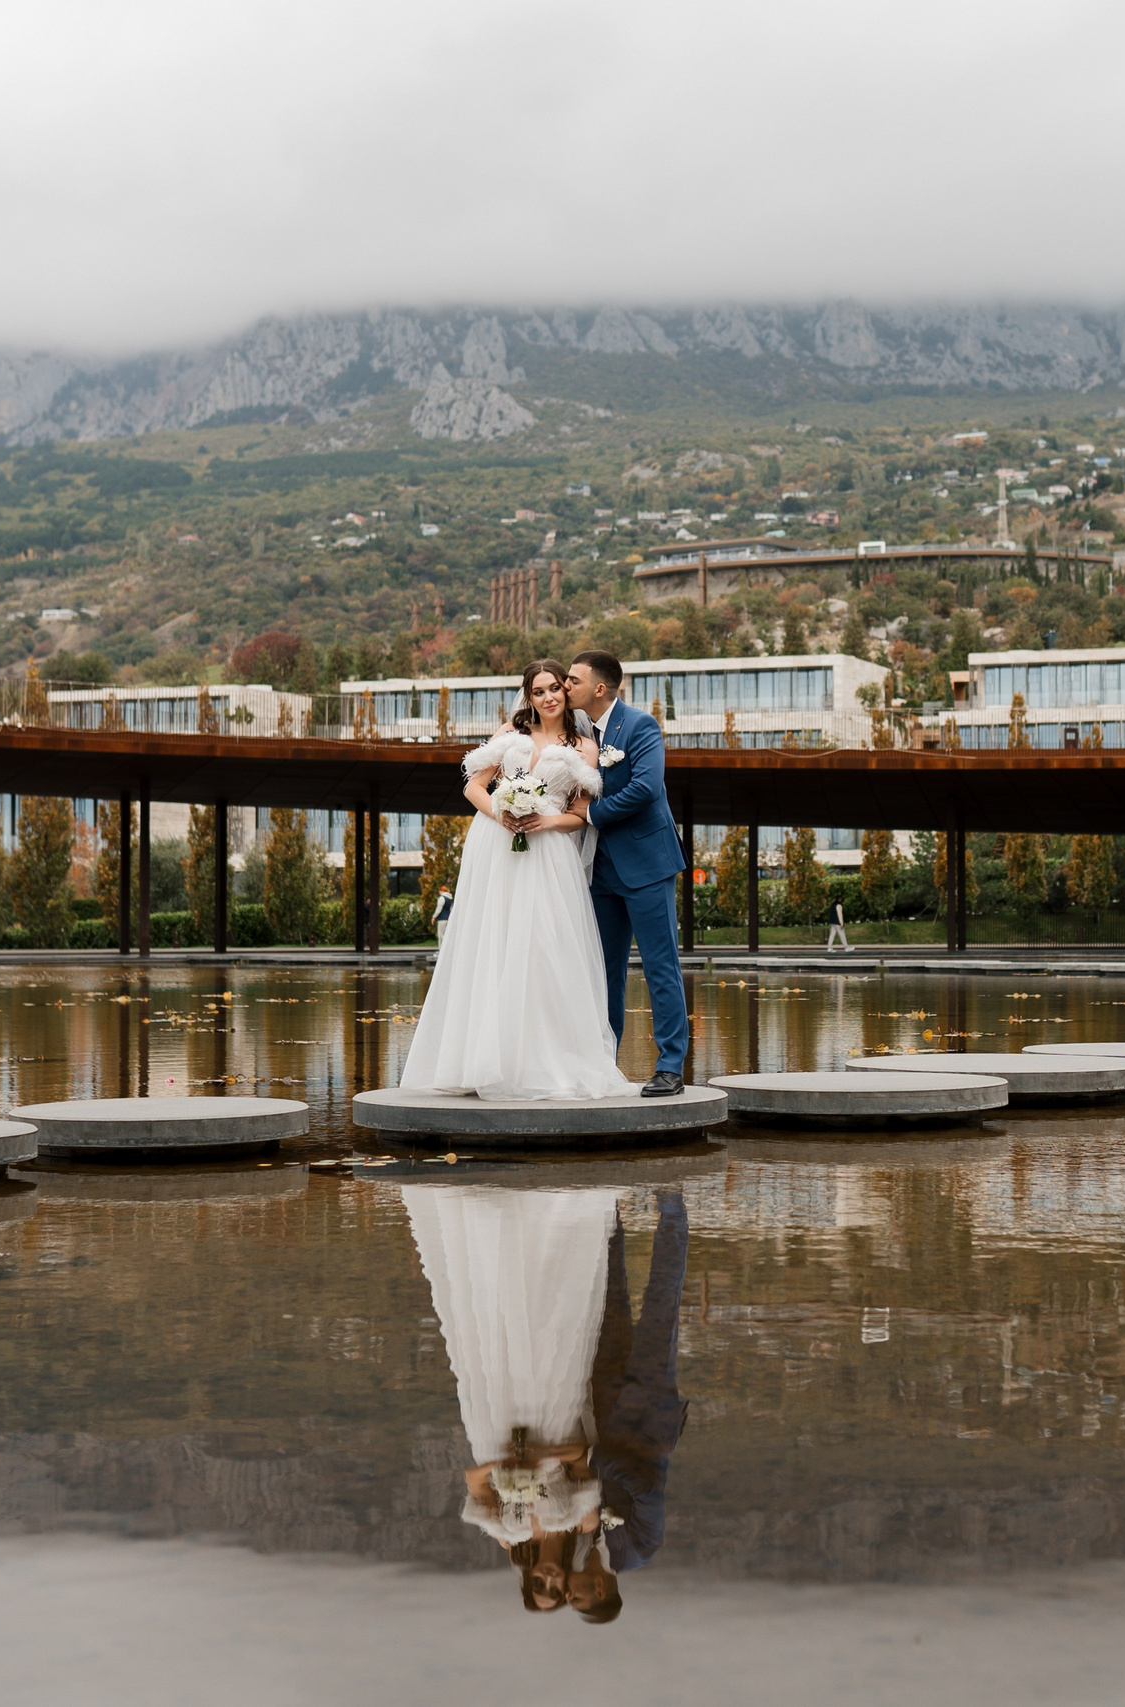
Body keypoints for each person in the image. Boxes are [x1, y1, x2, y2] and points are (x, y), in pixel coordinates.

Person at [398, 660, 633, 1101]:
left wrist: (543, 821)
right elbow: (474, 786)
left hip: (550, 855)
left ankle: (543, 1059)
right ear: (528, 696)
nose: (548, 697)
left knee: (545, 949)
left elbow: (580, 816)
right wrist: (502, 814)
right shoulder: (510, 733)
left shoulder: (584, 747)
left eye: (555, 689)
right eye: (538, 691)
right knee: (492, 944)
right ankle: (480, 1058)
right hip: (496, 847)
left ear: (566, 693)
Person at [404, 1182, 621, 1613]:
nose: (548, 1578)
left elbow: (473, 1479)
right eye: (554, 1589)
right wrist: (542, 1453)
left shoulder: (507, 1531)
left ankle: (487, 1233)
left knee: (492, 1337)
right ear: (564, 1589)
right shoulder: (581, 1521)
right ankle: (551, 1219)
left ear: (527, 1578)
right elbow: (582, 1455)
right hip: (553, 1417)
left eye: (536, 1583)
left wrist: (504, 1466)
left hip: (493, 1421)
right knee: (549, 1331)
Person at [563, 650, 690, 1097]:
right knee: (603, 973)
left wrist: (593, 812)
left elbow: (646, 787)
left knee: (660, 967)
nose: (565, 686)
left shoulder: (640, 726)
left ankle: (671, 1066)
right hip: (598, 871)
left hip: (648, 865)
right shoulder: (575, 732)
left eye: (573, 680)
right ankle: (603, 1065)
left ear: (599, 688)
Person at [589, 1189, 688, 1579]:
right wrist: (598, 1462)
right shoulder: (640, 1549)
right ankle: (672, 1208)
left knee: (609, 1294)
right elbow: (646, 1489)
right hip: (650, 1404)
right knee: (663, 1299)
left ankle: (608, 1205)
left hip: (607, 1400)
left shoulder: (590, 1546)